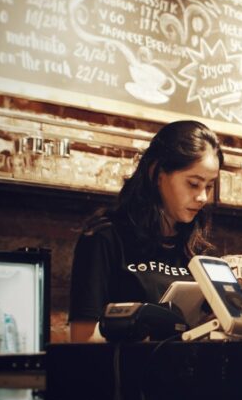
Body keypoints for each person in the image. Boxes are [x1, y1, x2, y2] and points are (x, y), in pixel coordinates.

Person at [68, 120, 222, 342]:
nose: (202, 197)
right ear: (156, 174)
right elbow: (82, 339)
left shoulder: (198, 250)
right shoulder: (105, 238)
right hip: (126, 375)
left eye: (209, 186)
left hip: (185, 375)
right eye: (193, 183)